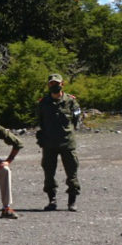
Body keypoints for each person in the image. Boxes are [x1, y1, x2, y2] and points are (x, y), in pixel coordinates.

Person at [36, 73, 82, 212]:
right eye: (51, 83)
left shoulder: (71, 101)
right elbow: (40, 122)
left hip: (67, 142)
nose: (54, 86)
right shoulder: (43, 103)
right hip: (49, 144)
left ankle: (72, 202)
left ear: (62, 84)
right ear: (48, 85)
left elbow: (76, 119)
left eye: (57, 83)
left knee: (72, 172)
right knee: (49, 173)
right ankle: (52, 201)